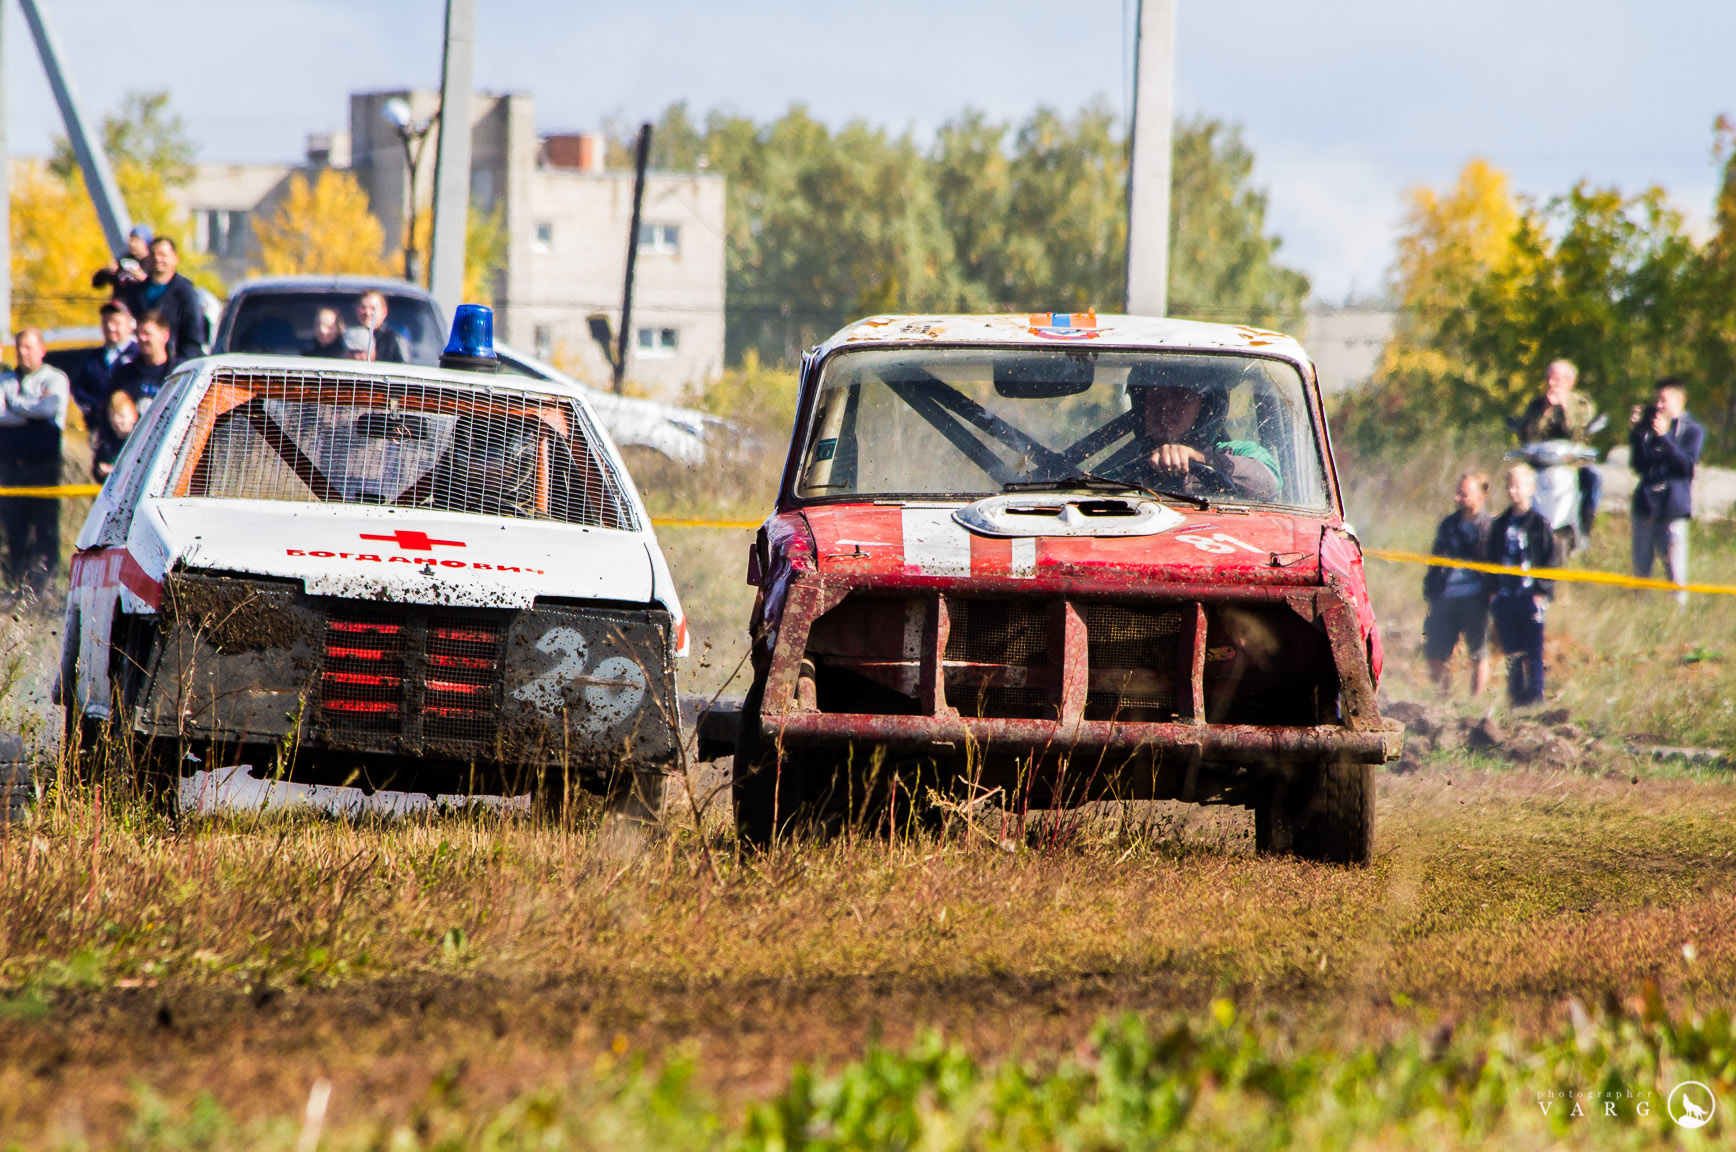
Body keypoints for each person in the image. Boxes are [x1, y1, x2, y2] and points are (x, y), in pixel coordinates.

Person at [1122, 366, 1280, 500]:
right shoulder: (1125, 460)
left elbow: (1268, 483)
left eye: (1180, 396)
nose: (1165, 406)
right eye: (1156, 395)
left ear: (1206, 407)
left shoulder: (1239, 451)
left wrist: (1199, 458)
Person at [0, 328, 72, 599]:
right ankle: (17, 585)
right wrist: (29, 412)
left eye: (29, 347)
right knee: (14, 527)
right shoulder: (5, 379)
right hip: (10, 465)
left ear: (42, 349)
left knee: (46, 528)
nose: (23, 353)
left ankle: (46, 587)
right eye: (19, 348)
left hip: (44, 464)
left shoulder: (55, 379)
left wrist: (14, 405)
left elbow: (47, 410)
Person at [1486, 463, 1558, 708]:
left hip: (1530, 597)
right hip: (1506, 597)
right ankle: (1515, 697)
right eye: (1509, 485)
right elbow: (1491, 559)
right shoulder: (1500, 524)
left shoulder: (1540, 524)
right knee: (1512, 651)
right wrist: (1493, 591)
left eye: (1517, 485)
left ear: (1530, 488)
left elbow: (1550, 560)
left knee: (1534, 650)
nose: (1512, 490)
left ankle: (1535, 697)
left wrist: (1542, 591)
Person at [1629, 377, 1703, 607]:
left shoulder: (1692, 430)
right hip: (1645, 507)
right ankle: (1640, 615)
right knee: (1641, 571)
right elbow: (1639, 466)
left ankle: (1677, 621)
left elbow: (1686, 467)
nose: (1659, 405)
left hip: (1673, 507)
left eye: (1664, 399)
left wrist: (1664, 438)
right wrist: (1636, 434)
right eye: (1656, 400)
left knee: (1675, 574)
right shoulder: (1649, 427)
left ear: (1680, 399)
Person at [1513, 357, 1602, 544]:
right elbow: (1528, 435)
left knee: (1594, 478)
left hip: (1572, 463)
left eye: (1557, 379)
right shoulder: (1536, 405)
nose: (1551, 383)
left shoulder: (1581, 404)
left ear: (1570, 382)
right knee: (1516, 481)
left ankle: (1584, 528)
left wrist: (1565, 409)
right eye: (1548, 378)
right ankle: (1519, 525)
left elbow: (1581, 434)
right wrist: (1545, 410)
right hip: (1541, 463)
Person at [1423, 471, 1493, 697]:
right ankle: (1443, 698)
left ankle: (1475, 702)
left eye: (1463, 494)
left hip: (1475, 597)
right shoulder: (1449, 524)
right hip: (1445, 595)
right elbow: (1436, 559)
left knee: (1478, 652)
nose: (1457, 498)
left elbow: (1495, 565)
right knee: (1435, 652)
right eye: (1457, 493)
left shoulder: (1490, 527)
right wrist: (1430, 588)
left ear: (1481, 496)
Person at [118, 237, 208, 361]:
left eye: (163, 255)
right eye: (153, 254)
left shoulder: (186, 293)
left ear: (175, 258)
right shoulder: (135, 293)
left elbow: (193, 337)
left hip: (176, 364)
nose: (157, 259)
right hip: (142, 366)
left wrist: (179, 366)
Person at [70, 300, 138, 427]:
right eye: (106, 322)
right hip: (102, 428)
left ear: (130, 325)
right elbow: (80, 390)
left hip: (134, 428)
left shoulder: (138, 355)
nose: (111, 328)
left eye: (116, 323)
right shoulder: (93, 358)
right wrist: (99, 407)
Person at [107, 312, 178, 416]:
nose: (141, 338)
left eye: (147, 334)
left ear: (165, 336)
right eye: (138, 334)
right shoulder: (124, 375)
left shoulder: (180, 372)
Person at [91, 225, 153, 295]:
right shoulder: (124, 260)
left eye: (137, 241)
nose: (132, 244)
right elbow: (97, 284)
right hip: (121, 302)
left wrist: (144, 279)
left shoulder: (152, 264)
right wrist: (107, 272)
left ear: (146, 244)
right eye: (131, 240)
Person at [354, 290, 405, 363]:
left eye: (373, 309)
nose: (368, 313)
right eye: (363, 307)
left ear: (384, 312)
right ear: (356, 309)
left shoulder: (394, 341)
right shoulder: (347, 337)